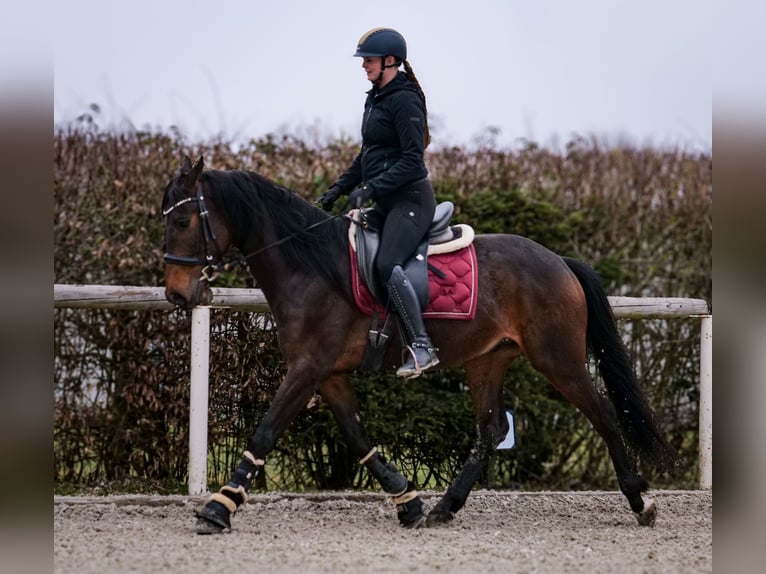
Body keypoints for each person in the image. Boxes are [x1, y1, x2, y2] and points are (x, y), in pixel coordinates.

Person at [319, 27, 439, 379]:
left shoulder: (405, 100)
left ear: (390, 61)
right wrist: (336, 190)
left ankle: (422, 346)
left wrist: (370, 189)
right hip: (387, 202)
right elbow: (367, 155)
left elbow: (412, 161)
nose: (364, 66)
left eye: (368, 60)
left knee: (387, 265)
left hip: (411, 201)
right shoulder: (375, 98)